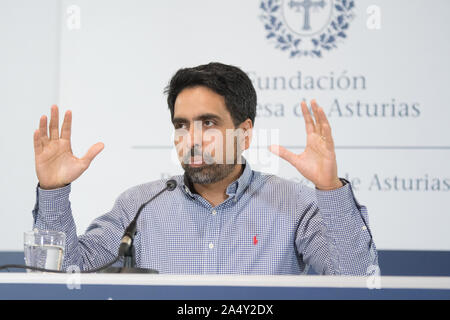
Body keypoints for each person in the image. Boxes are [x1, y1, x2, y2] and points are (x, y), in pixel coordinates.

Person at [32, 62, 378, 275]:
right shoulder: (140, 205)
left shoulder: (294, 203)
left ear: (244, 134)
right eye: (181, 125)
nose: (192, 138)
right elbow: (61, 273)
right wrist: (53, 192)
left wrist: (330, 189)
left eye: (208, 123)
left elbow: (357, 279)